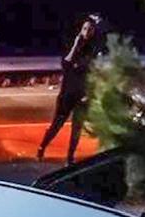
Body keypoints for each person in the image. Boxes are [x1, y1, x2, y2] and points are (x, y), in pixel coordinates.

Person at [37, 14, 105, 165]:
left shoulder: (93, 50)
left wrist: (89, 93)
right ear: (81, 30)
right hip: (67, 94)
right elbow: (66, 64)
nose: (87, 32)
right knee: (57, 124)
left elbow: (93, 73)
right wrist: (75, 46)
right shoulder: (72, 45)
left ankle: (70, 157)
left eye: (90, 29)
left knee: (76, 129)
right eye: (85, 29)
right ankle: (42, 147)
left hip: (82, 95)